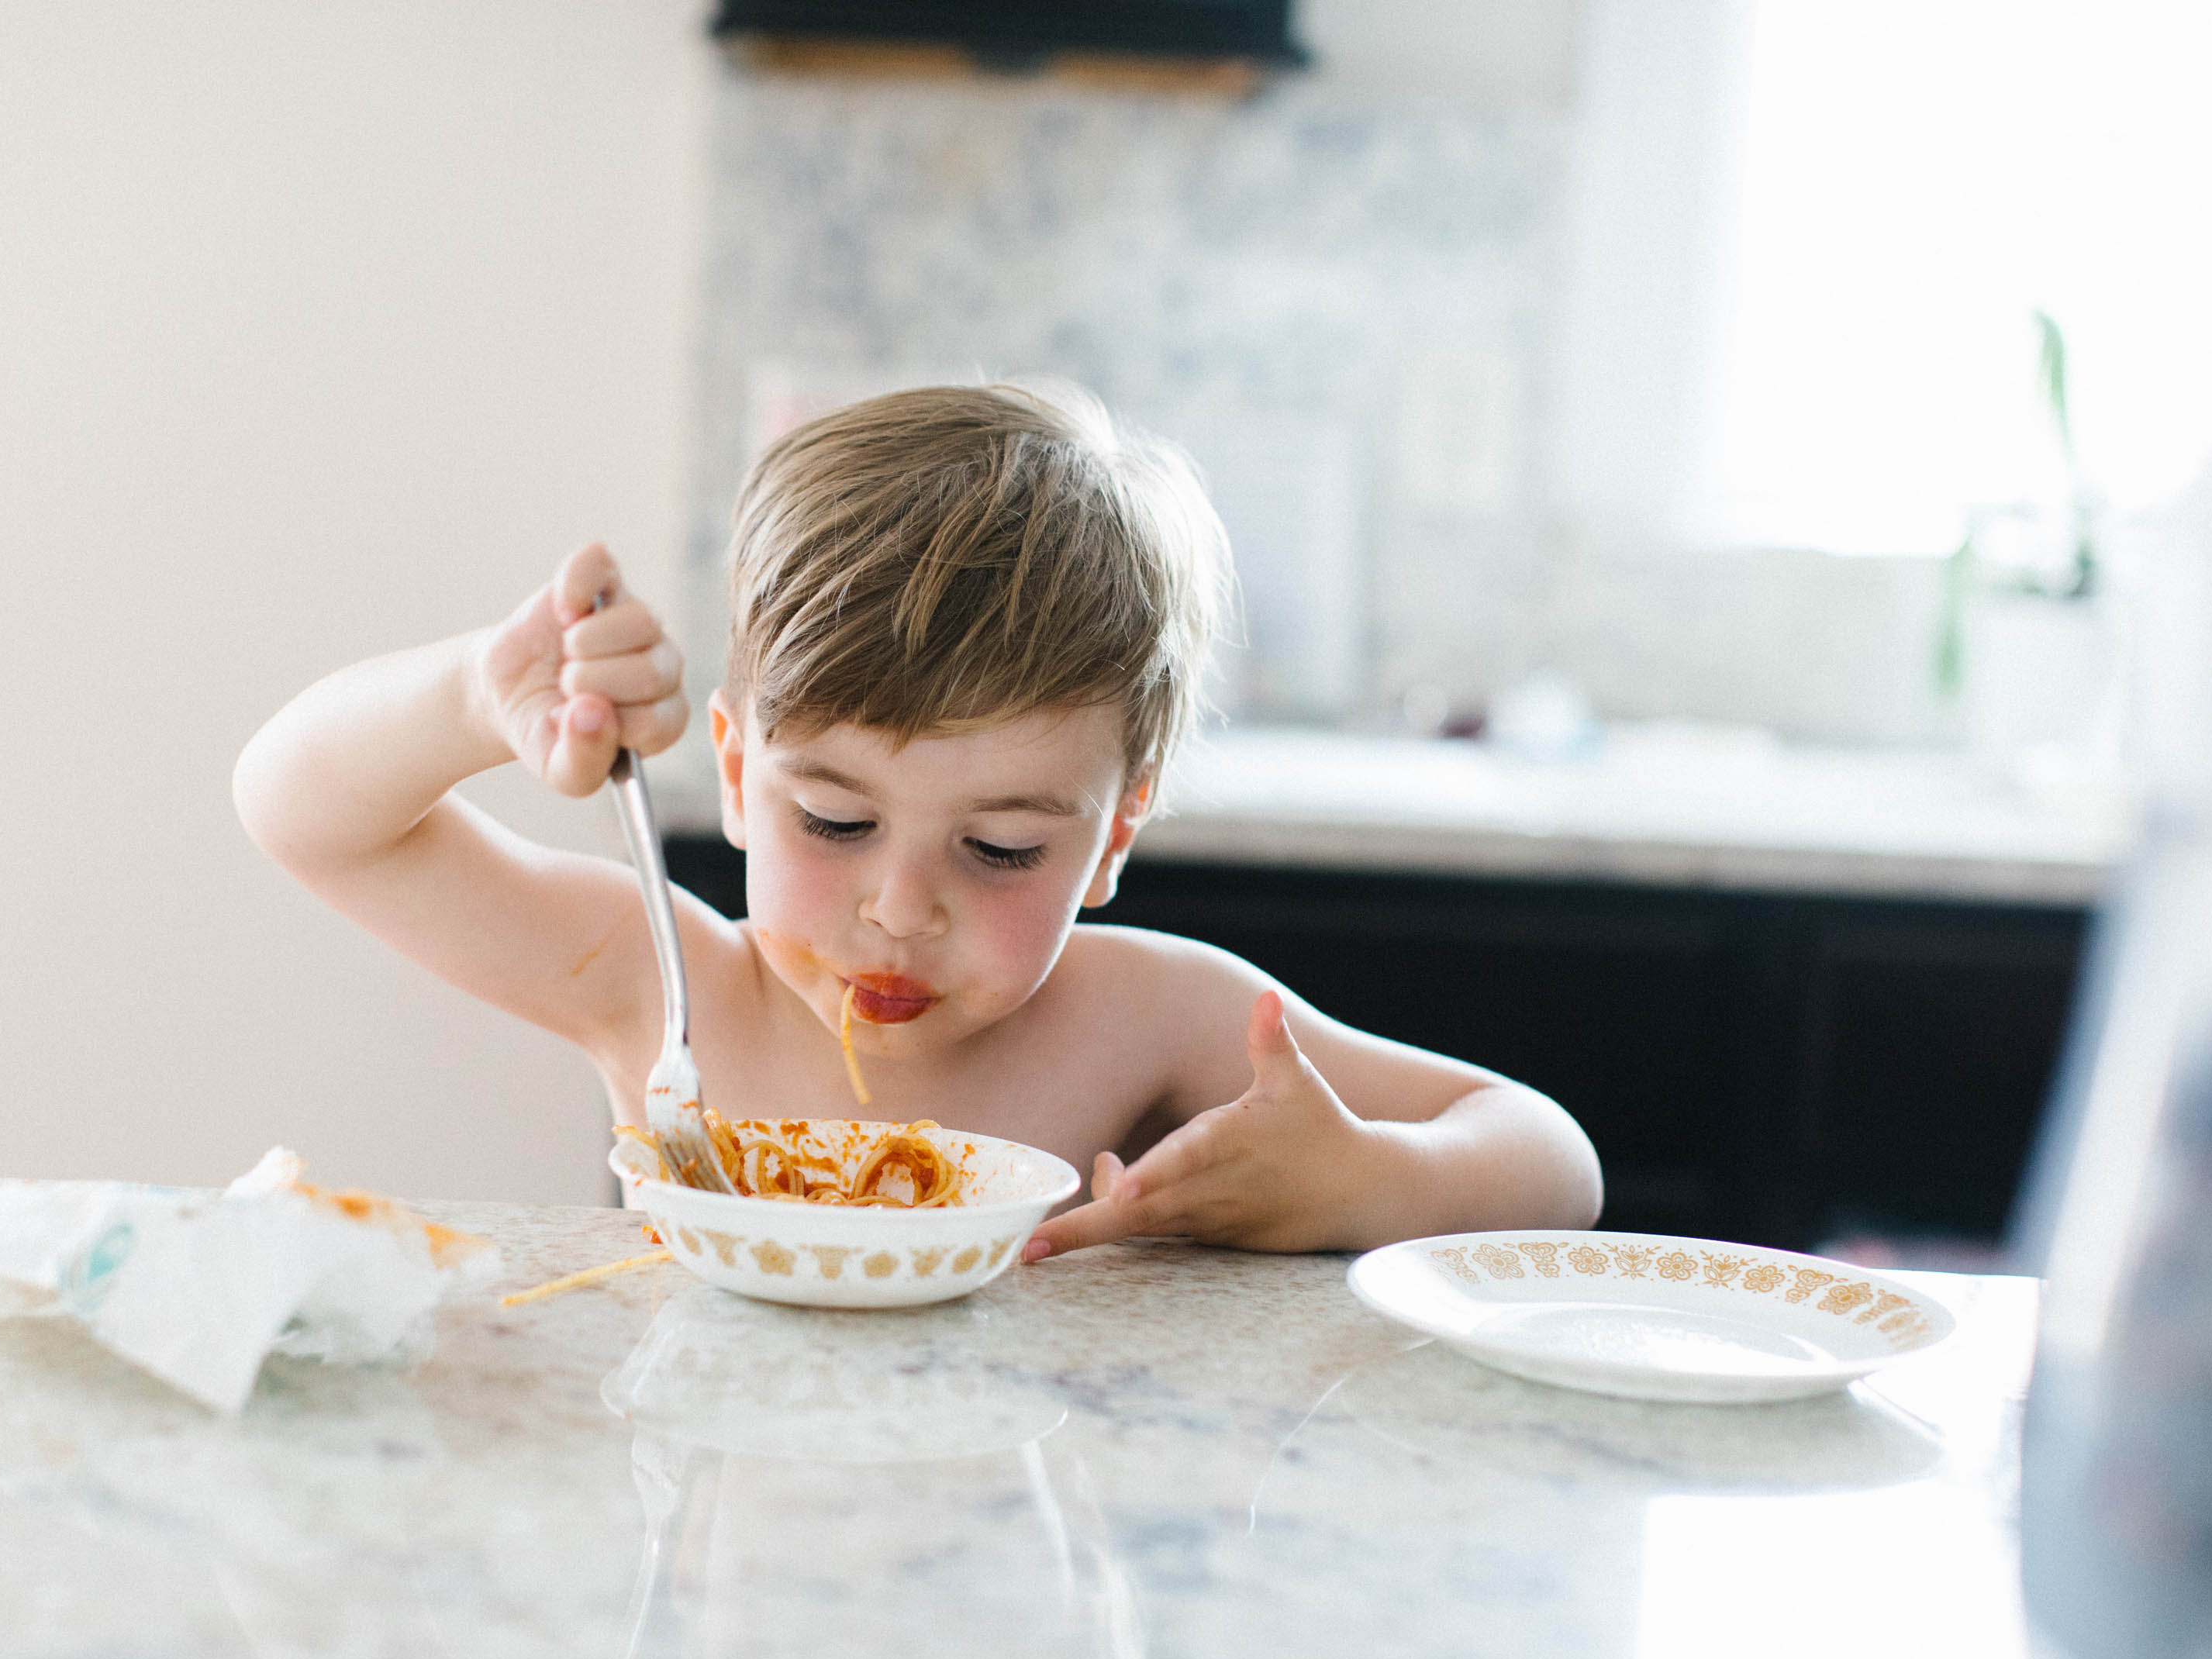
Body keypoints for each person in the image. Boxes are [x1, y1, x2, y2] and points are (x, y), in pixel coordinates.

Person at [233, 382, 1599, 1257]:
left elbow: (1551, 1154)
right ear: (737, 764)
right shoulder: (660, 982)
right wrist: (477, 693)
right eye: (832, 819)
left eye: (1002, 848)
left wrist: (1370, 1183)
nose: (899, 907)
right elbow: (302, 813)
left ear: (1113, 835)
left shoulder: (1155, 1018)